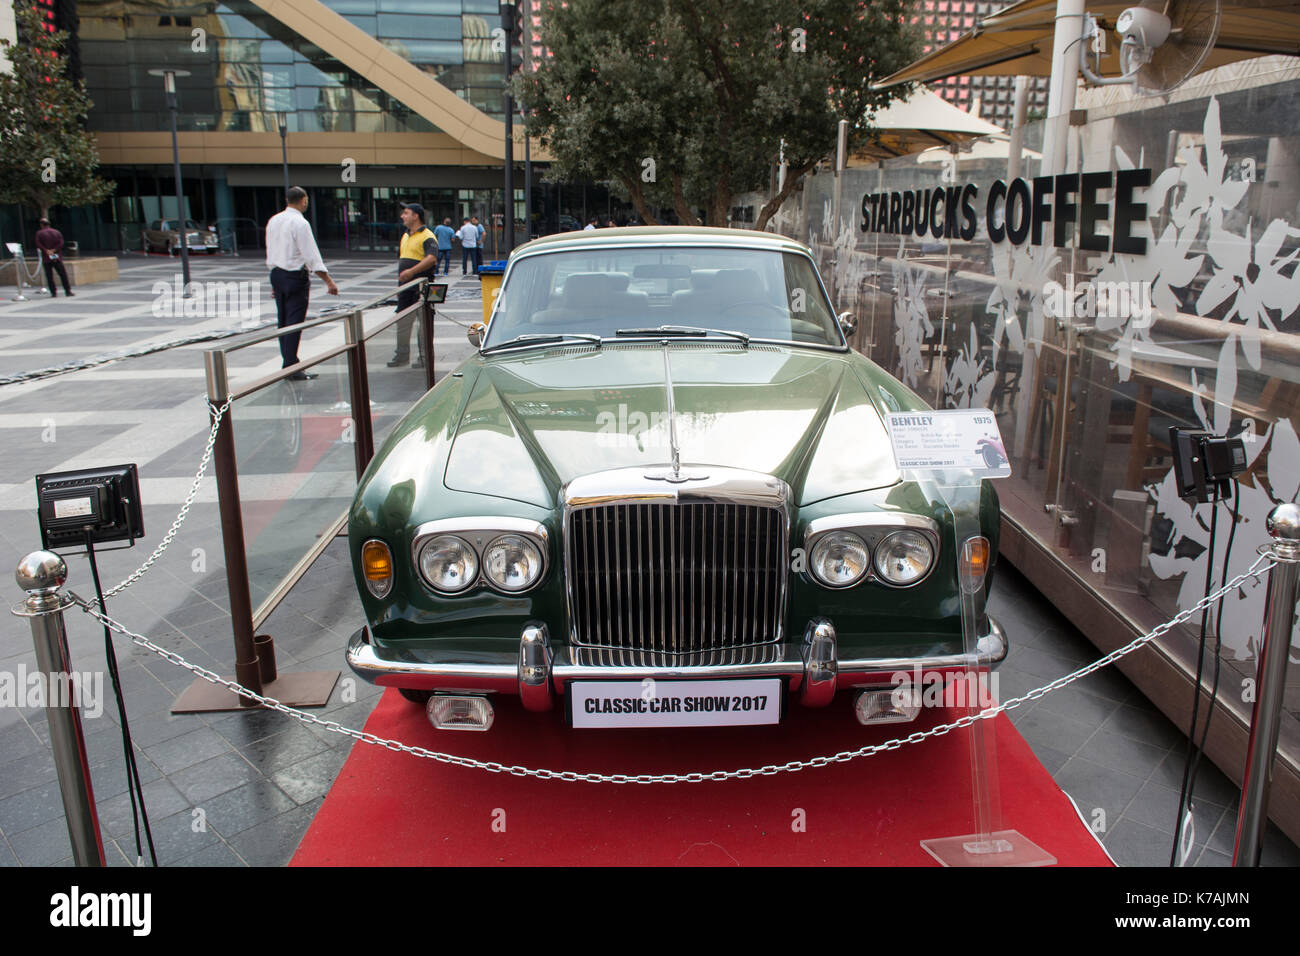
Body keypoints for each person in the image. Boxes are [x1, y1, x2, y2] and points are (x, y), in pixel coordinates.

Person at [265, 186, 338, 380]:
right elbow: (311, 255)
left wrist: (275, 281)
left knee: (283, 321)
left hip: (277, 274)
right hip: (294, 277)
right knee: (294, 322)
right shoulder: (300, 223)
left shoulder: (274, 220)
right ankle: (291, 366)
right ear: (304, 200)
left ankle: (288, 362)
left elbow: (272, 252)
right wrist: (329, 281)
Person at [389, 202, 439, 368]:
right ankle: (402, 355)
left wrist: (411, 271)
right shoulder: (405, 236)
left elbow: (431, 258)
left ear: (416, 216)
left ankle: (425, 357)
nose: (403, 216)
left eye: (406, 213)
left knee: (424, 323)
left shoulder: (428, 236)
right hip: (405, 288)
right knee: (403, 321)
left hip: (422, 287)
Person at [34, 218, 73, 297]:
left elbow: (38, 243)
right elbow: (61, 242)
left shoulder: (39, 233)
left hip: (46, 256)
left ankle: (53, 292)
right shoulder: (56, 232)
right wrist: (54, 250)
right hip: (56, 255)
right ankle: (67, 291)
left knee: (49, 275)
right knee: (62, 274)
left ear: (41, 225)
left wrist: (46, 250)